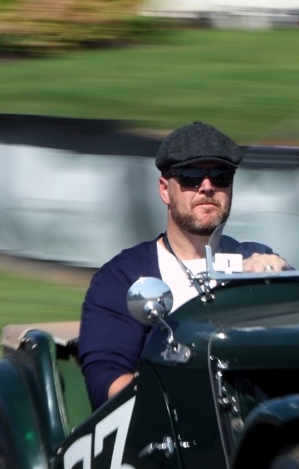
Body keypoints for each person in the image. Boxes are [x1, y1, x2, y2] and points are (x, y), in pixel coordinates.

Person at [78, 122, 285, 407]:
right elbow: (106, 382)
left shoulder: (257, 260)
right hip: (171, 432)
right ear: (165, 190)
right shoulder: (123, 276)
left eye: (221, 176)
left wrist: (280, 277)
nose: (207, 187)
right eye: (190, 177)